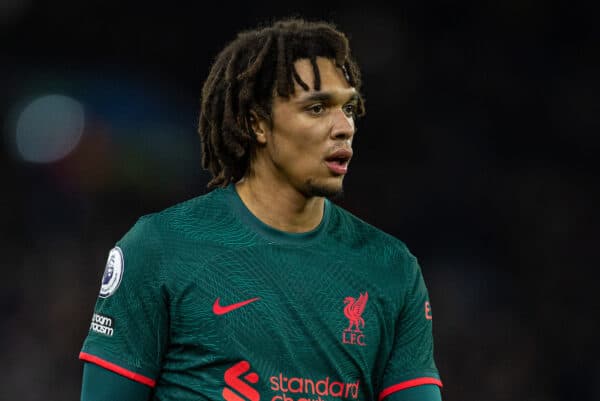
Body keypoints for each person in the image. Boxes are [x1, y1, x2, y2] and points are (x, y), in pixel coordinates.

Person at [79, 18, 443, 401]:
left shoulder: (390, 267)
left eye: (348, 108)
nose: (344, 127)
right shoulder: (159, 249)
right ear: (258, 124)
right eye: (317, 108)